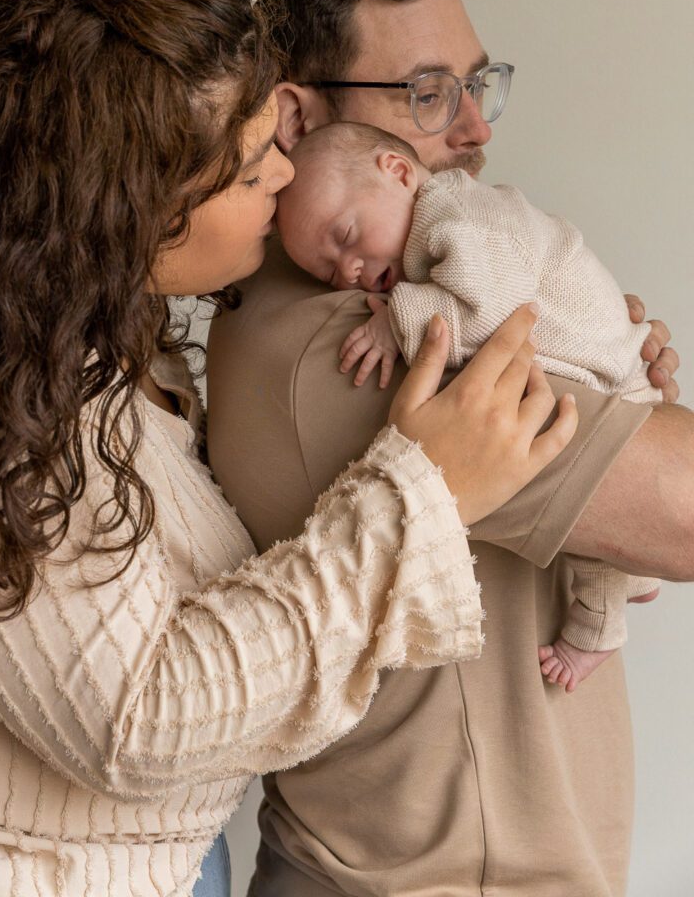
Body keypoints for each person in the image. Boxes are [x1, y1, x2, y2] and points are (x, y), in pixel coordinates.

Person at [0, 0, 579, 897]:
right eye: (245, 170)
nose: (284, 171)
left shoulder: (113, 362)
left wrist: (592, 329)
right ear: (123, 205)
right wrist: (421, 493)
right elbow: (142, 720)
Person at [205, 0, 693, 896]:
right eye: (428, 93)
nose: (474, 127)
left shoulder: (362, 299)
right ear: (297, 119)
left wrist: (602, 361)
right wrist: (628, 413)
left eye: (479, 83)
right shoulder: (349, 347)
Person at [275, 118, 663, 692]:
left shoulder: (453, 218)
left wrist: (394, 321)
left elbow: (491, 316)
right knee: (604, 539)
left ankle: (598, 631)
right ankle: (632, 579)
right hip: (610, 367)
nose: (350, 270)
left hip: (619, 379)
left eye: (347, 234)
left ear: (399, 172)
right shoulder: (445, 220)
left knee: (608, 544)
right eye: (329, 270)